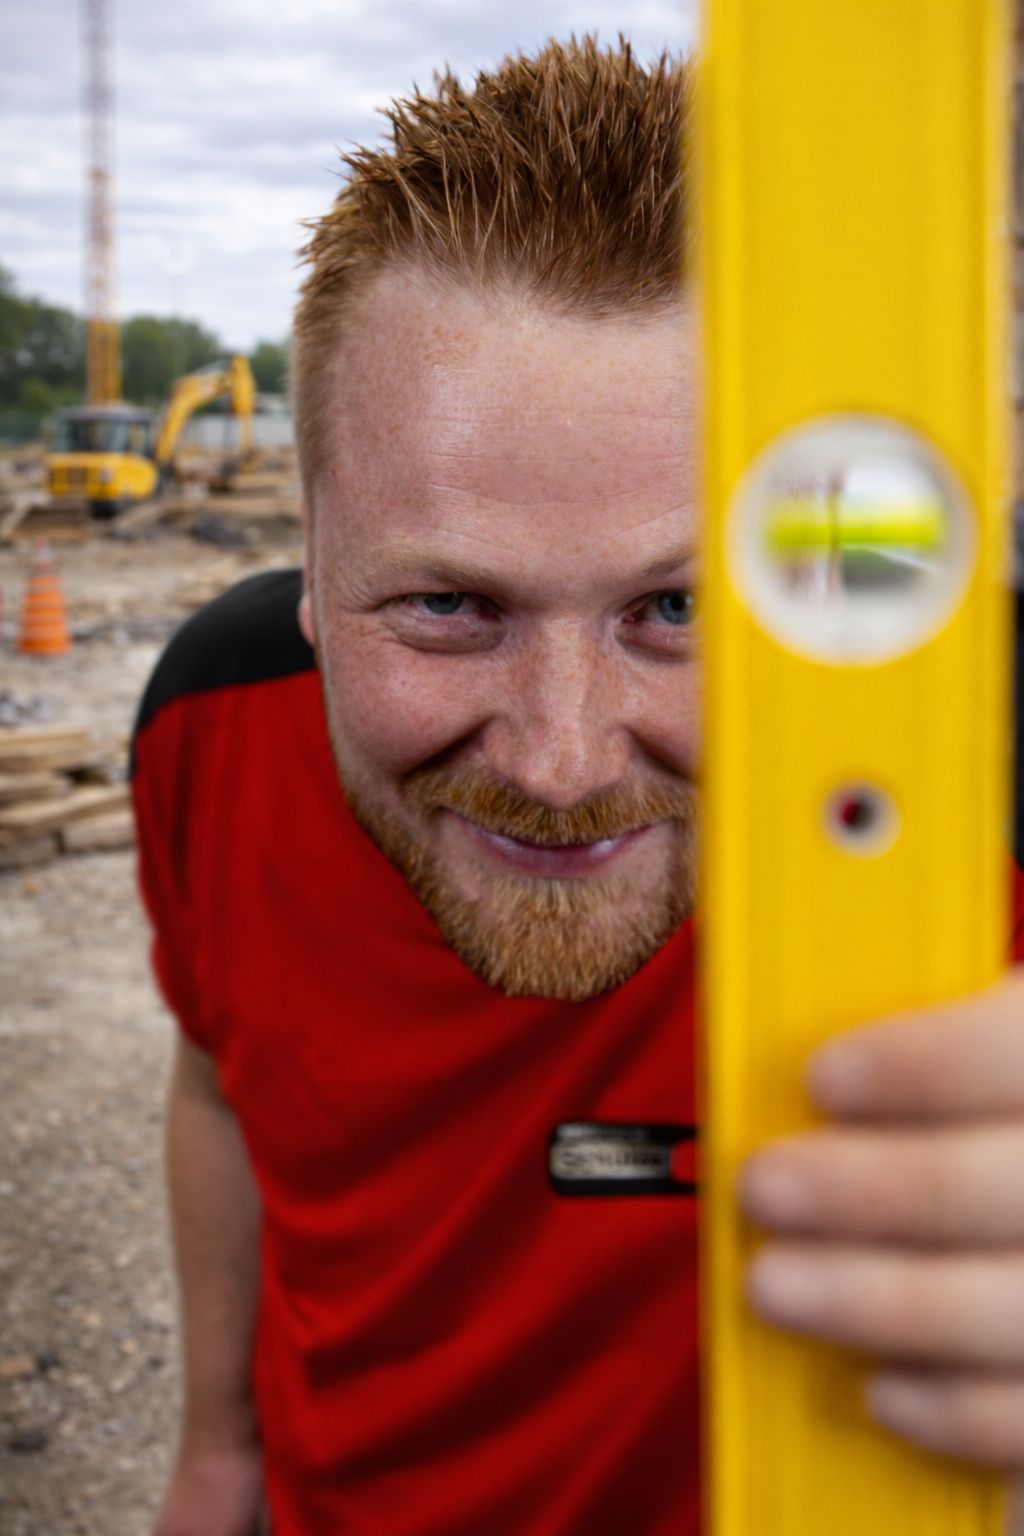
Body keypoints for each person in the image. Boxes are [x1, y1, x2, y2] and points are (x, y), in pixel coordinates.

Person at [133, 38, 1024, 1536]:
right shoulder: (208, 723)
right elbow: (219, 1084)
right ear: (309, 560)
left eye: (678, 610)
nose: (560, 762)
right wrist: (218, 1452)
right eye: (446, 606)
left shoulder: (957, 809)